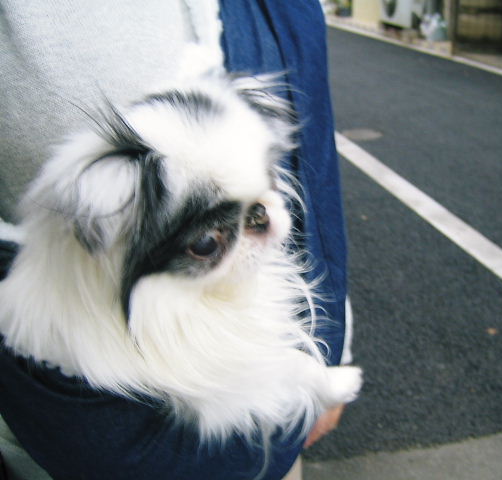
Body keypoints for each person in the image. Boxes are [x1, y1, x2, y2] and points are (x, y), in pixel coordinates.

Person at [0, 1, 353, 479]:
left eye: (268, 183)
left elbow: (318, 180)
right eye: (208, 241)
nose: (263, 222)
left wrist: (326, 357)